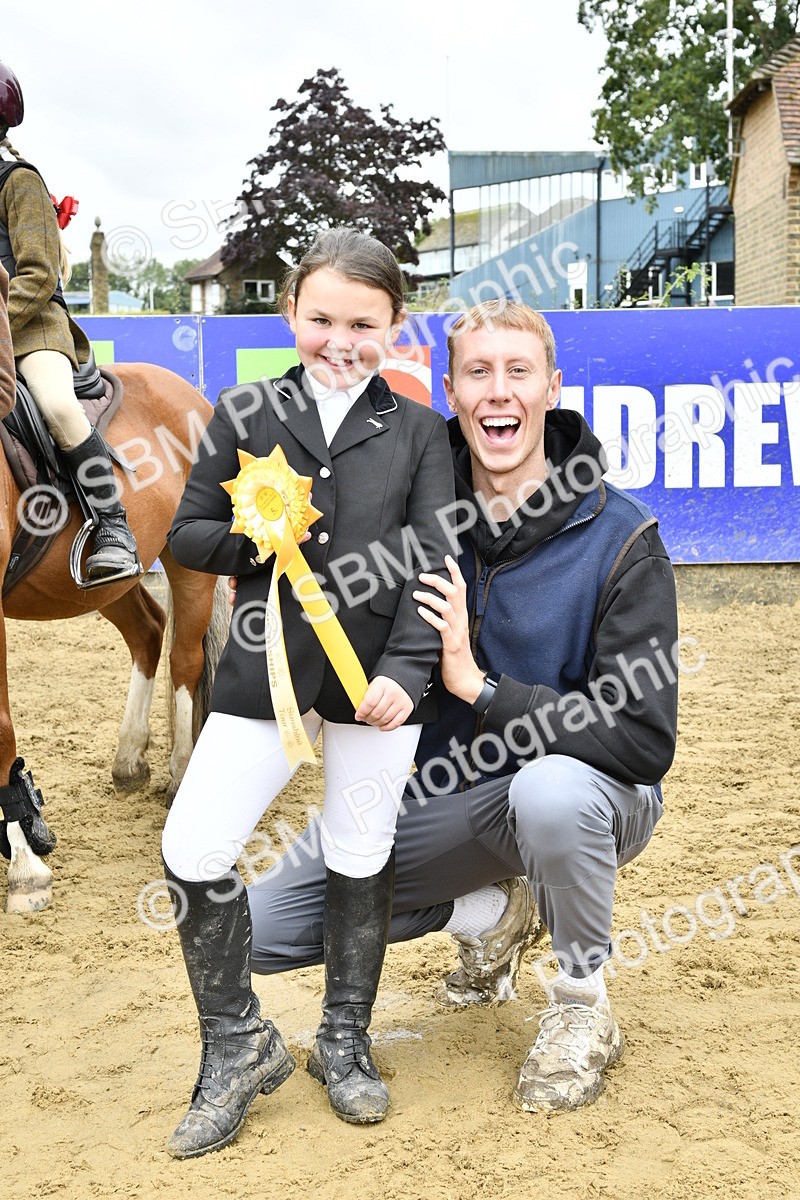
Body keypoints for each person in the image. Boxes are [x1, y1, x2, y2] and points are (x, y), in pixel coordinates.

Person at [245, 299, 678, 1116]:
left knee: (546, 791)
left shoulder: (622, 536)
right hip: (447, 800)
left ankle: (583, 1007)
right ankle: (490, 910)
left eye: (518, 372)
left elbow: (643, 741)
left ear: (551, 387)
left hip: (590, 795)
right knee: (260, 928)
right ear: (451, 389)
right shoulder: (412, 509)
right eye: (478, 373)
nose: (497, 392)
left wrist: (479, 685)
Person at [162, 228, 455, 1158]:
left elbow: (436, 563)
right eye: (321, 317)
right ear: (291, 314)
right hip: (262, 674)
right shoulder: (246, 409)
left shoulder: (419, 432)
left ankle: (344, 1038)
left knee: (360, 851)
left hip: (376, 684)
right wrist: (258, 537)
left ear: (395, 326)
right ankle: (239, 1043)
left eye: (362, 322)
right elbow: (187, 531)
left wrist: (409, 675)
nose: (339, 338)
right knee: (193, 846)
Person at [0, 60, 139, 580]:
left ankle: (112, 525)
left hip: (32, 327)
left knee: (58, 405)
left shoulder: (19, 183)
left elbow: (37, 275)